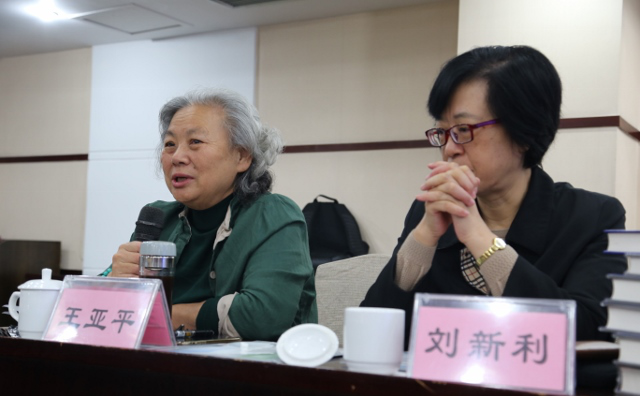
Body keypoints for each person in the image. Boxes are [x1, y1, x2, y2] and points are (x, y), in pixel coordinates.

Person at [361, 45, 627, 348]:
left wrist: (478, 237)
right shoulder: (430, 211)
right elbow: (372, 334)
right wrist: (422, 238)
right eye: (442, 132)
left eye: (463, 129)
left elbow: (589, 332)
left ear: (525, 133)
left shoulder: (593, 217)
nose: (449, 149)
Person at [105, 88, 317, 341]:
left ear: (242, 156)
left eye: (195, 142)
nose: (177, 157)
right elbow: (97, 313)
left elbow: (262, 317)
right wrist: (113, 283)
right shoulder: (159, 218)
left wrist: (155, 313)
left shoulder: (272, 215)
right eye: (170, 144)